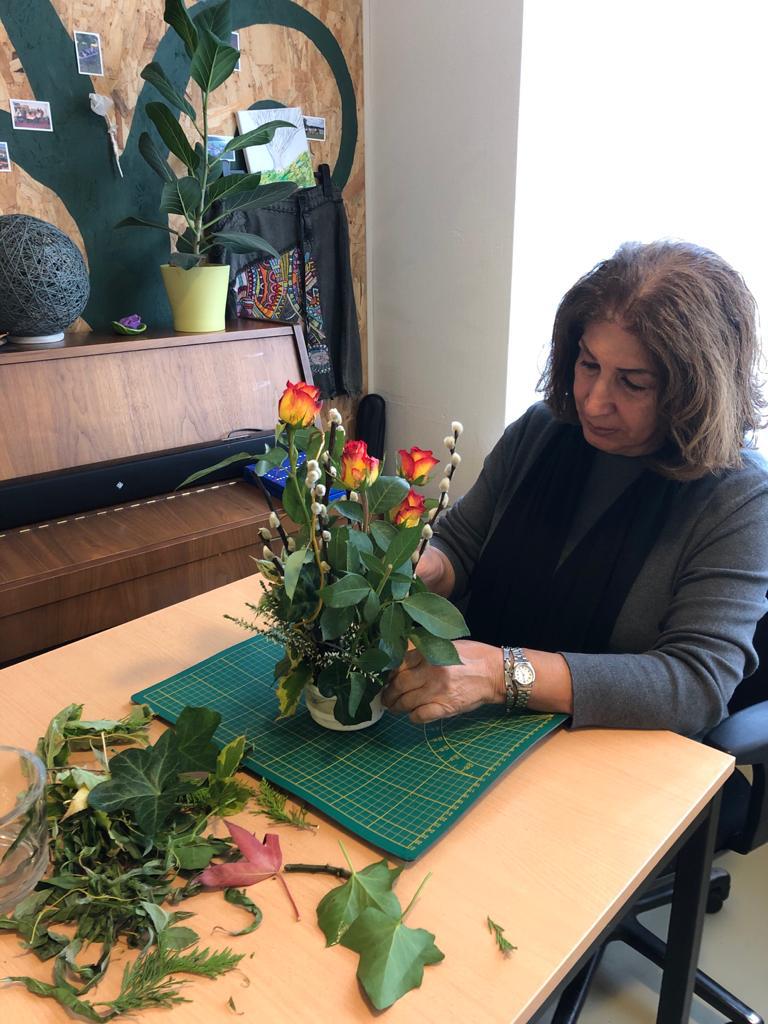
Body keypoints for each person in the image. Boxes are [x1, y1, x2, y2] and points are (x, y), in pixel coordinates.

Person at [382, 240, 768, 738]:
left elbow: (695, 684)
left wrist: (502, 674)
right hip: (475, 723)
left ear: (693, 392)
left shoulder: (737, 499)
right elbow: (460, 544)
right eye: (588, 365)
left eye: (632, 383)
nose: (594, 402)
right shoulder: (542, 431)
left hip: (616, 751)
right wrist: (418, 567)